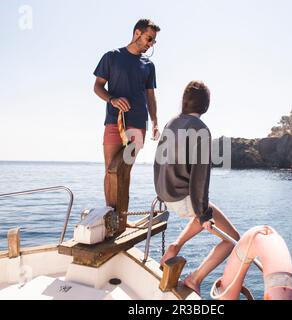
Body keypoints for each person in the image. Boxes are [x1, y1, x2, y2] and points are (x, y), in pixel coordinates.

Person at [154, 80, 240, 295]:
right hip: (183, 199)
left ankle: (176, 245)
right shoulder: (200, 129)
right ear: (205, 106)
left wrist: (161, 192)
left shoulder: (171, 123)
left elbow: (158, 162)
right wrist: (203, 215)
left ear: (184, 102)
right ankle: (195, 279)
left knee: (203, 208)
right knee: (233, 240)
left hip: (166, 194)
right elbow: (199, 179)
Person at [93, 19, 160, 203]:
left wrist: (155, 122)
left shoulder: (149, 65)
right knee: (110, 170)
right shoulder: (111, 56)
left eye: (153, 41)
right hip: (114, 121)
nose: (150, 44)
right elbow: (98, 86)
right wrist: (112, 100)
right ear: (137, 33)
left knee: (125, 170)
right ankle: (110, 216)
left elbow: (150, 96)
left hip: (138, 124)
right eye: (149, 39)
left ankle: (121, 217)